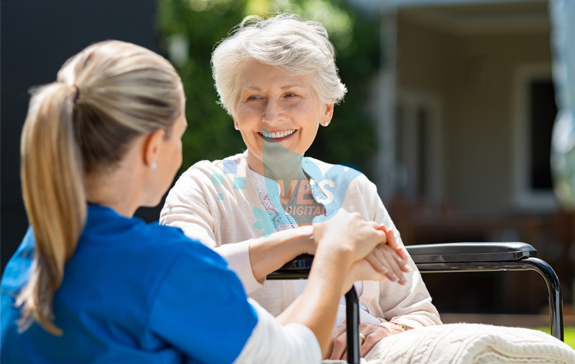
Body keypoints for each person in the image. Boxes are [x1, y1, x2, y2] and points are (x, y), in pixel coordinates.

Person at [0, 40, 396, 364]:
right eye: (179, 134)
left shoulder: (35, 251)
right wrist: (335, 253)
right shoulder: (164, 265)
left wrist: (319, 252)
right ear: (154, 146)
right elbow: (291, 356)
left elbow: (262, 350)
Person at [160, 14, 441, 360]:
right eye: (253, 98)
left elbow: (419, 312)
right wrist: (311, 239)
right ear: (235, 113)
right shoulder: (204, 186)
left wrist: (386, 331)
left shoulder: (354, 189)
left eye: (291, 95)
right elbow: (186, 281)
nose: (272, 116)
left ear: (326, 109)